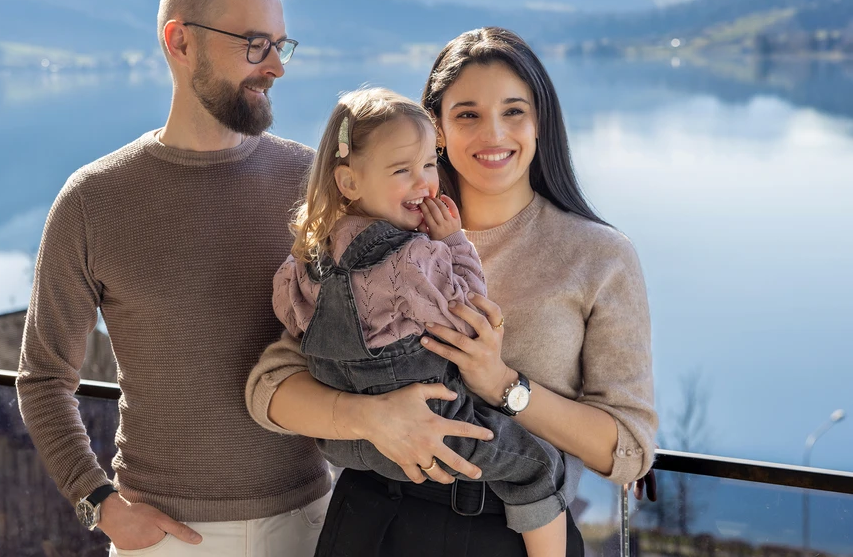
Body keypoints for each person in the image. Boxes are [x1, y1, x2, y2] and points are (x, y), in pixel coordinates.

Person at [246, 27, 657, 557]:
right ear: (435, 128)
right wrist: (373, 418)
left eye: (514, 111)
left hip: (513, 536)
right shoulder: (376, 238)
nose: (493, 133)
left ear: (541, 122)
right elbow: (270, 389)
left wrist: (506, 386)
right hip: (371, 522)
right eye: (467, 114)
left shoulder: (599, 256)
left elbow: (627, 452)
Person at [16, 0, 332, 557]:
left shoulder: (312, 180)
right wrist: (99, 503)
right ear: (180, 41)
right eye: (254, 43)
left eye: (281, 44)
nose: (275, 66)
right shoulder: (92, 201)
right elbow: (43, 379)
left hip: (311, 523)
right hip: (166, 540)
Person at [272, 88, 574, 554]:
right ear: (348, 182)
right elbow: (470, 318)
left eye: (429, 164)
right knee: (539, 466)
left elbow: (291, 317)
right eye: (402, 171)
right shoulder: (415, 257)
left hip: (350, 448)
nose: (424, 184)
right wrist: (454, 243)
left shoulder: (305, 260)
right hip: (436, 430)